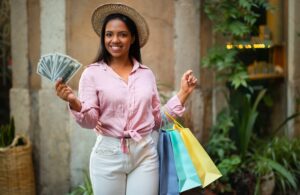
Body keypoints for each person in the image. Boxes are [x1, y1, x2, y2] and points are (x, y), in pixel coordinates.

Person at [55, 3, 197, 195]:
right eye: (109, 34)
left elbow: (156, 121)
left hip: (145, 154)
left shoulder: (146, 74)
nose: (115, 40)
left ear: (133, 38)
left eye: (122, 34)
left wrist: (183, 93)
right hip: (107, 155)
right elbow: (90, 122)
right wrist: (75, 102)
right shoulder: (92, 74)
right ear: (103, 38)